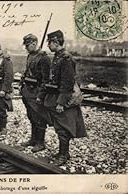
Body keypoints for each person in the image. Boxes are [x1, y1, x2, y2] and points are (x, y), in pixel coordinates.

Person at [44, 30, 87, 165]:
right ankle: (63, 153)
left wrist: (61, 103)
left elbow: (67, 83)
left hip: (64, 99)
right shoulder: (58, 56)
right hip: (57, 96)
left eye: (49, 43)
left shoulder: (66, 59)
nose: (48, 46)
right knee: (59, 126)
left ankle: (64, 155)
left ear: (56, 42)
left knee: (63, 127)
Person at [20, 34, 52, 153]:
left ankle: (40, 142)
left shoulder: (44, 58)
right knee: (31, 116)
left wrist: (41, 95)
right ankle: (33, 139)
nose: (26, 48)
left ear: (34, 43)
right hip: (28, 92)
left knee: (39, 117)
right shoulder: (31, 55)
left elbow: (46, 80)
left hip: (37, 92)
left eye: (27, 45)